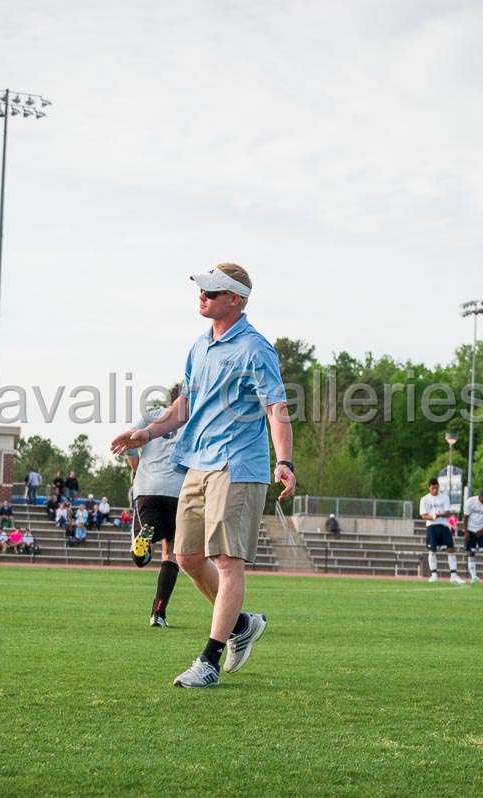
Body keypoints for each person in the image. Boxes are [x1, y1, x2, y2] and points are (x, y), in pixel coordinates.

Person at [110, 262, 293, 689]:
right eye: (203, 291)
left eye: (212, 293)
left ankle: (208, 661)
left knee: (227, 561)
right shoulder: (198, 347)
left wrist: (284, 461)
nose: (203, 297)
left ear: (236, 299)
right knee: (188, 558)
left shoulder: (256, 349)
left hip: (238, 464)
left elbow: (276, 410)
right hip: (197, 463)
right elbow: (185, 406)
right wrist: (148, 432)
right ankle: (241, 625)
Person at [126, 383, 187, 627]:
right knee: (171, 553)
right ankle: (158, 613)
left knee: (141, 559)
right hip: (179, 491)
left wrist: (136, 468)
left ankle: (147, 533)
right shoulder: (193, 420)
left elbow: (129, 443)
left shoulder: (151, 416)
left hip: (148, 488)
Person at [419, 479, 462, 584]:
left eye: (436, 487)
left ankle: (453, 575)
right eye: (433, 488)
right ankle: (434, 575)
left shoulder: (444, 497)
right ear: (429, 488)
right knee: (432, 550)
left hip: (444, 525)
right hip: (432, 526)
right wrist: (432, 517)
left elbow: (448, 513)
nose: (435, 490)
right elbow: (423, 515)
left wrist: (439, 515)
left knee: (451, 549)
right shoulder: (424, 499)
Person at [461, 489, 483, 584]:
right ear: (479, 497)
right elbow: (465, 517)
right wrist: (466, 531)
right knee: (471, 552)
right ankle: (473, 577)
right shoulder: (470, 501)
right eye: (482, 500)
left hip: (481, 531)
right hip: (470, 530)